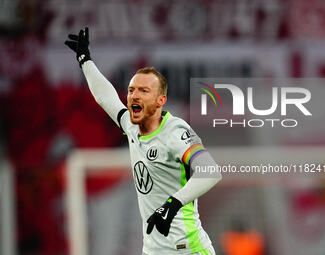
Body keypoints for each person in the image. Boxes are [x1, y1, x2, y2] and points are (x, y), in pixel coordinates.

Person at [65, 27, 221, 255]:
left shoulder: (175, 132)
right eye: (131, 90)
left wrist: (173, 203)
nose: (135, 96)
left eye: (144, 91)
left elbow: (211, 171)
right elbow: (105, 96)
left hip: (188, 250)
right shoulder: (131, 125)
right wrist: (85, 61)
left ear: (160, 101)